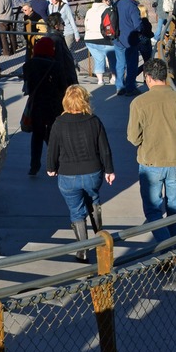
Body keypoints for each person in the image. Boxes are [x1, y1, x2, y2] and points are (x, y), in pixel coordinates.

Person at [127, 58, 176, 241]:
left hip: (150, 162)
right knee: (175, 208)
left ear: (148, 77)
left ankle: (166, 247)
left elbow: (133, 137)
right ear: (166, 76)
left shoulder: (139, 102)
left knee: (153, 211)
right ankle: (174, 247)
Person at [47, 85, 116, 260]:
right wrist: (109, 170)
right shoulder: (94, 121)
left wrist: (51, 168)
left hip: (67, 175)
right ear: (85, 100)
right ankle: (100, 236)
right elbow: (105, 149)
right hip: (93, 172)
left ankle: (83, 250)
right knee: (93, 198)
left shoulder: (58, 123)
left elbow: (52, 150)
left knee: (76, 212)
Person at [25, 36, 66, 176]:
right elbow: (63, 86)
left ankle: (34, 166)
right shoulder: (56, 65)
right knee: (52, 135)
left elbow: (28, 88)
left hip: (37, 104)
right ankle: (57, 164)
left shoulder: (29, 65)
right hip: (53, 104)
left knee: (37, 135)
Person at [115, 0, 145, 96]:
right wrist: (141, 31)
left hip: (118, 39)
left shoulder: (118, 3)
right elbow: (138, 25)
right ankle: (130, 88)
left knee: (120, 64)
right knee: (131, 64)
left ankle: (119, 87)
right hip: (130, 40)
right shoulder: (132, 7)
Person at [84, 0, 118, 85]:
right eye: (109, 0)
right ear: (104, 0)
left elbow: (85, 24)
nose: (110, 2)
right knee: (112, 58)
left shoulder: (89, 11)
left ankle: (100, 80)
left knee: (98, 59)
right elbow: (111, 24)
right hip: (103, 38)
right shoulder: (108, 9)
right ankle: (114, 78)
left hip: (89, 38)